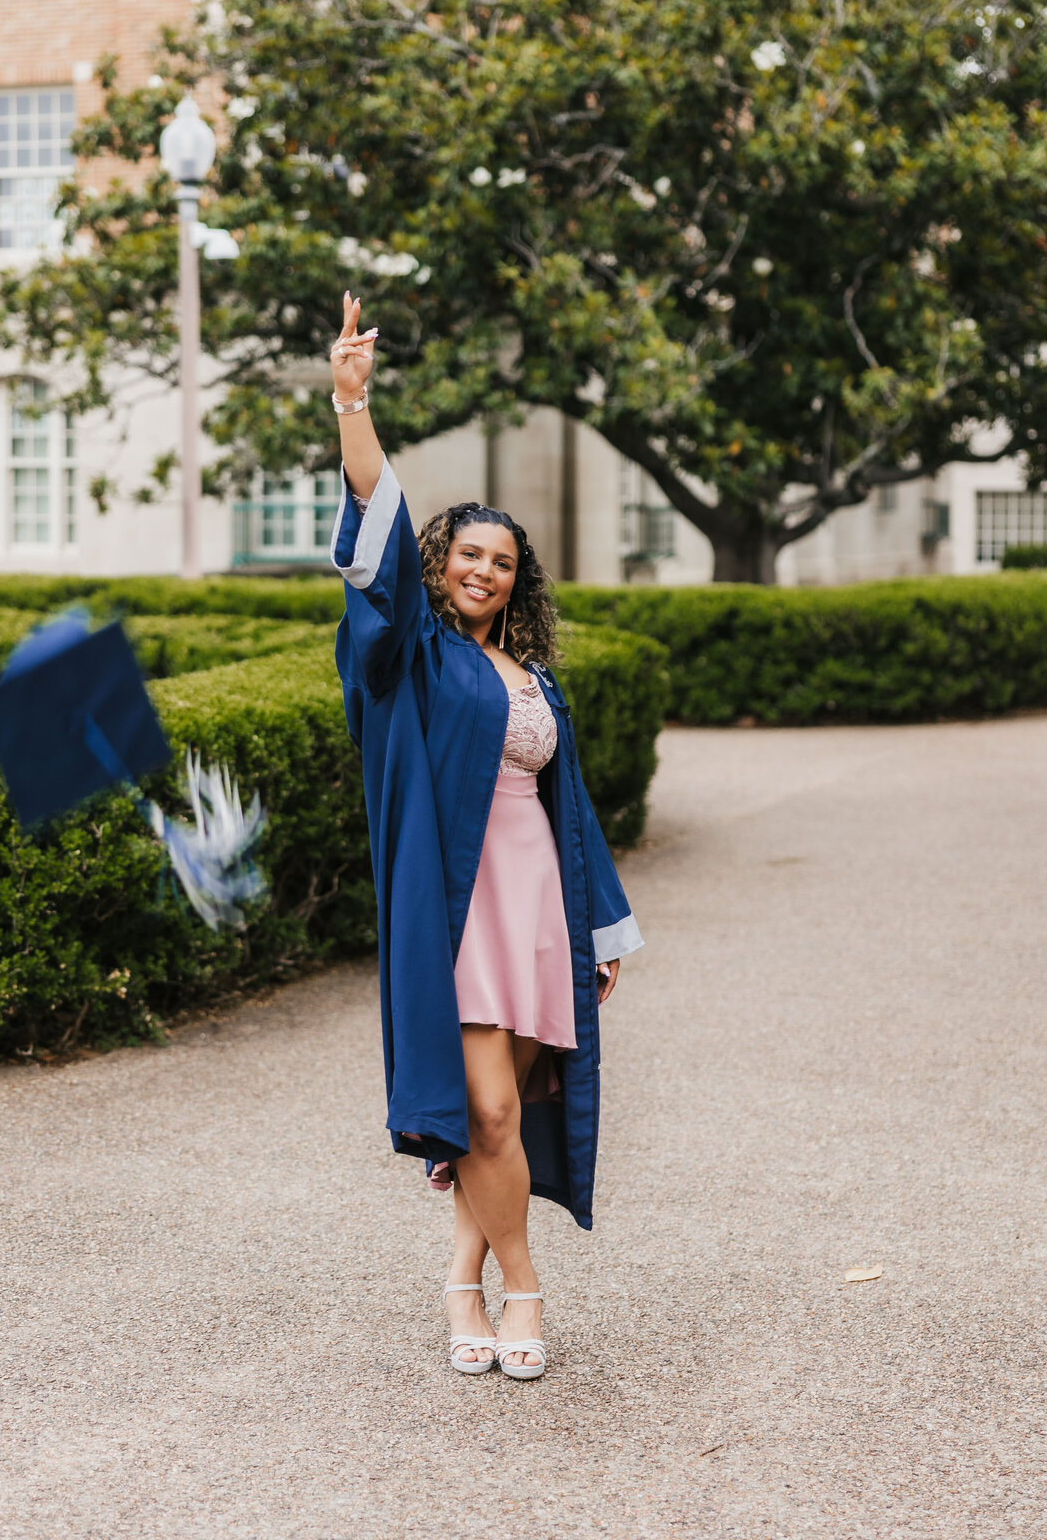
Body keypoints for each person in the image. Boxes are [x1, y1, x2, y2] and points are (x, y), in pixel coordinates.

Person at [330, 291, 643, 1381]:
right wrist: (352, 407)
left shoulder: (535, 678)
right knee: (493, 1109)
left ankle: (460, 1278)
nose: (483, 570)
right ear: (439, 563)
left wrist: (600, 928)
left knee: (496, 1123)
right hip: (459, 910)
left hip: (537, 913)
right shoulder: (416, 659)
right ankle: (522, 1292)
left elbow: (574, 807)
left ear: (519, 582)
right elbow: (372, 554)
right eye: (467, 554)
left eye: (502, 561)